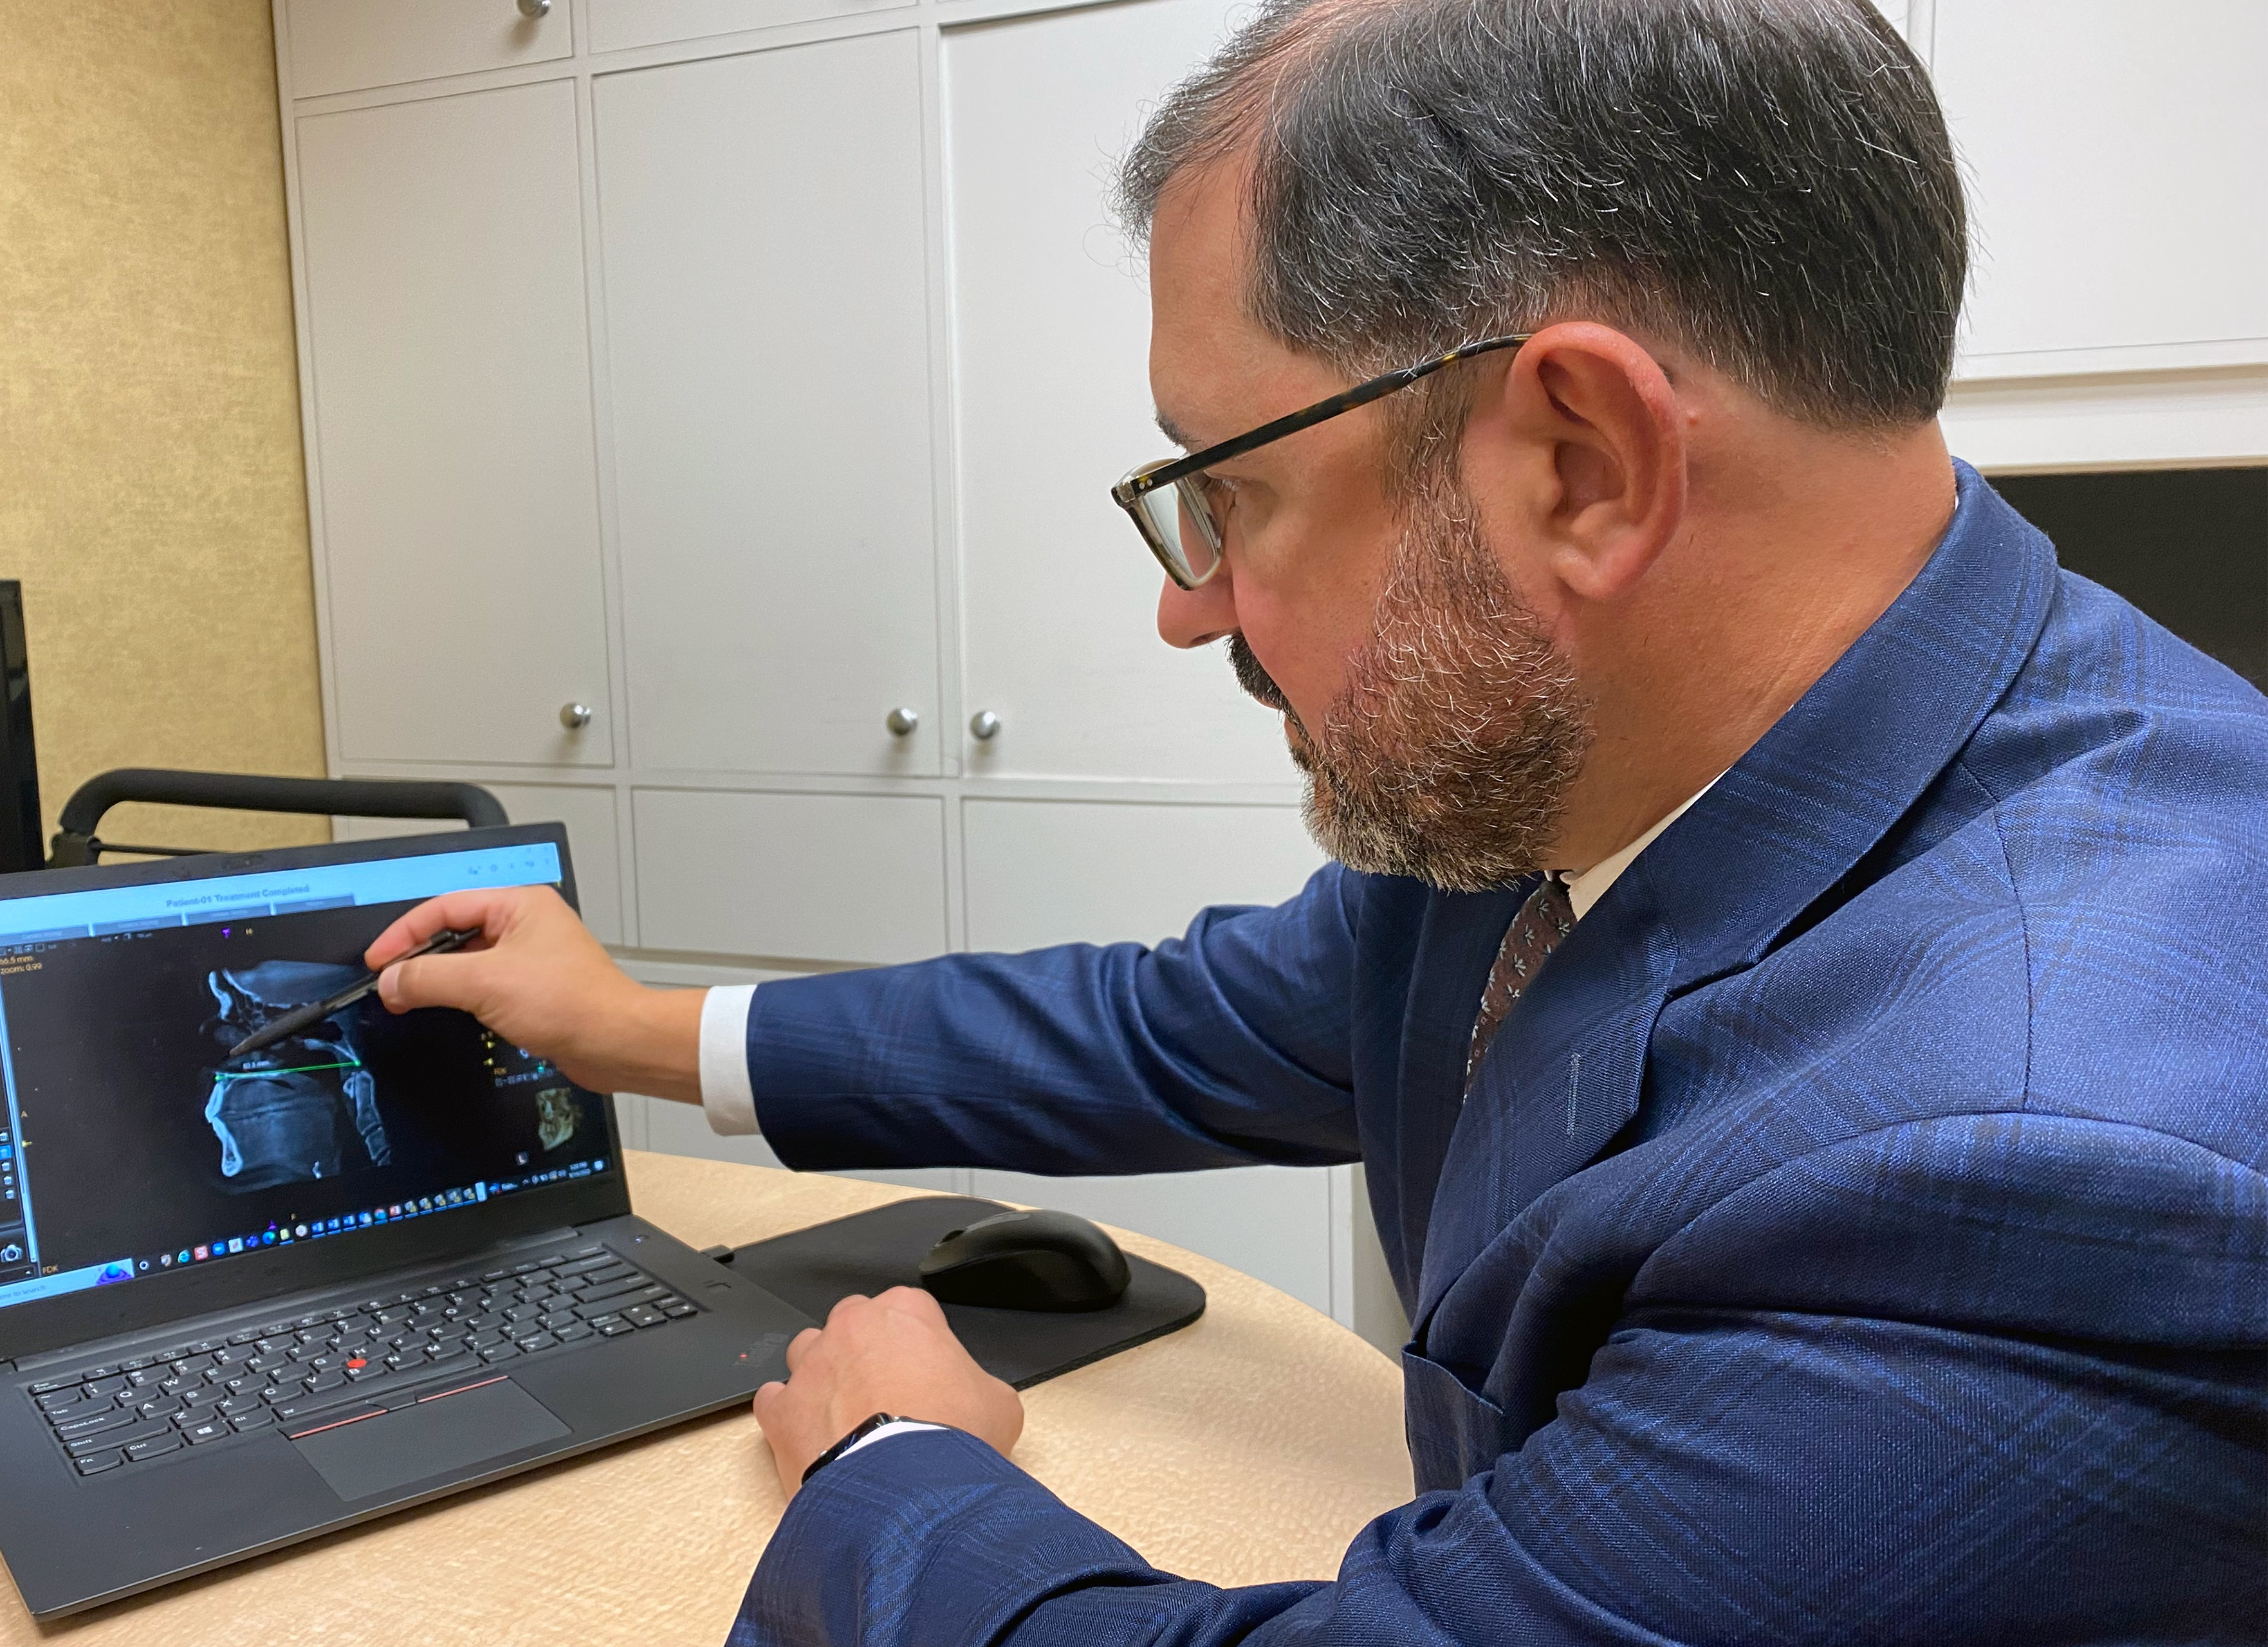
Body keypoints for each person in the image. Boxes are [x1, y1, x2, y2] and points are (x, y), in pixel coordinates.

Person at [365, 0, 2268, 1639]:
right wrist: (633, 1030)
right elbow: (1174, 1029)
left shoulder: (2047, 1177)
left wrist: (897, 1474)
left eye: (1231, 494)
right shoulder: (1600, 775)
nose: (1187, 606)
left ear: (1581, 466)